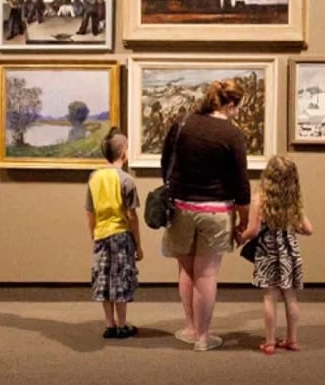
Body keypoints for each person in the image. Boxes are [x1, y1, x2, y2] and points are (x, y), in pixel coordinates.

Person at [161, 79, 251, 351]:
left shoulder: (182, 123)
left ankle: (190, 328)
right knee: (207, 274)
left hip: (180, 207)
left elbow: (165, 164)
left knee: (186, 270)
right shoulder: (231, 134)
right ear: (230, 104)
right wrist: (243, 219)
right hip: (216, 210)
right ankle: (203, 337)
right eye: (238, 106)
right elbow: (241, 183)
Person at [239, 155, 313, 355]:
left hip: (268, 252)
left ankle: (270, 341)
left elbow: (253, 231)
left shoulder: (260, 198)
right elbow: (308, 229)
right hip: (289, 251)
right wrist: (288, 225)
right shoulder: (293, 200)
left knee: (270, 297)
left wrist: (240, 237)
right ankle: (292, 339)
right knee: (290, 296)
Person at [85, 127, 143, 339]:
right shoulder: (126, 180)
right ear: (124, 153)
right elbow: (132, 217)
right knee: (121, 279)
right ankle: (122, 323)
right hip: (121, 235)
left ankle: (109, 324)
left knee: (104, 278)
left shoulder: (94, 178)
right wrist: (138, 244)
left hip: (101, 235)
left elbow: (89, 212)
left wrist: (94, 233)